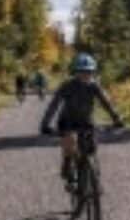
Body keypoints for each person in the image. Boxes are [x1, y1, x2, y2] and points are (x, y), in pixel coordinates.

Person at [39, 54, 124, 190]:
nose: (86, 75)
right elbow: (53, 105)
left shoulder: (95, 86)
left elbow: (106, 103)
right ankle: (68, 168)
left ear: (93, 72)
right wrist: (45, 124)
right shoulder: (67, 85)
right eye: (82, 71)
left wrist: (117, 119)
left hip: (86, 121)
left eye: (89, 72)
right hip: (67, 121)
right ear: (76, 72)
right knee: (70, 142)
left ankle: (95, 179)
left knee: (91, 148)